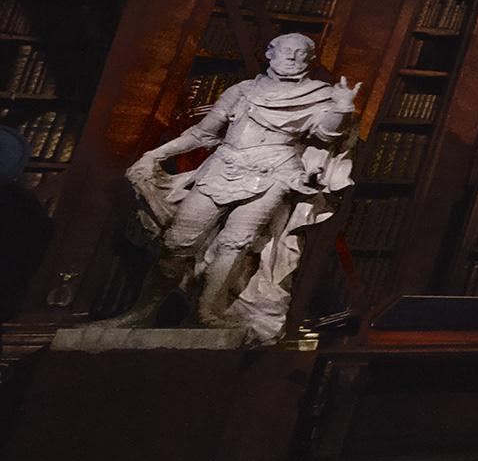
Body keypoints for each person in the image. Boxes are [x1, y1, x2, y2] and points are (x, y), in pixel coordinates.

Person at [122, 30, 356, 341]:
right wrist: (156, 154)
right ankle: (142, 312)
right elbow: (202, 134)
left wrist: (341, 109)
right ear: (270, 53)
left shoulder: (318, 94)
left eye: (301, 53)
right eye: (286, 50)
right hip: (223, 166)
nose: (292, 57)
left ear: (310, 60)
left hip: (274, 171)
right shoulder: (242, 90)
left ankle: (207, 311)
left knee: (236, 243)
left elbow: (325, 134)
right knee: (177, 242)